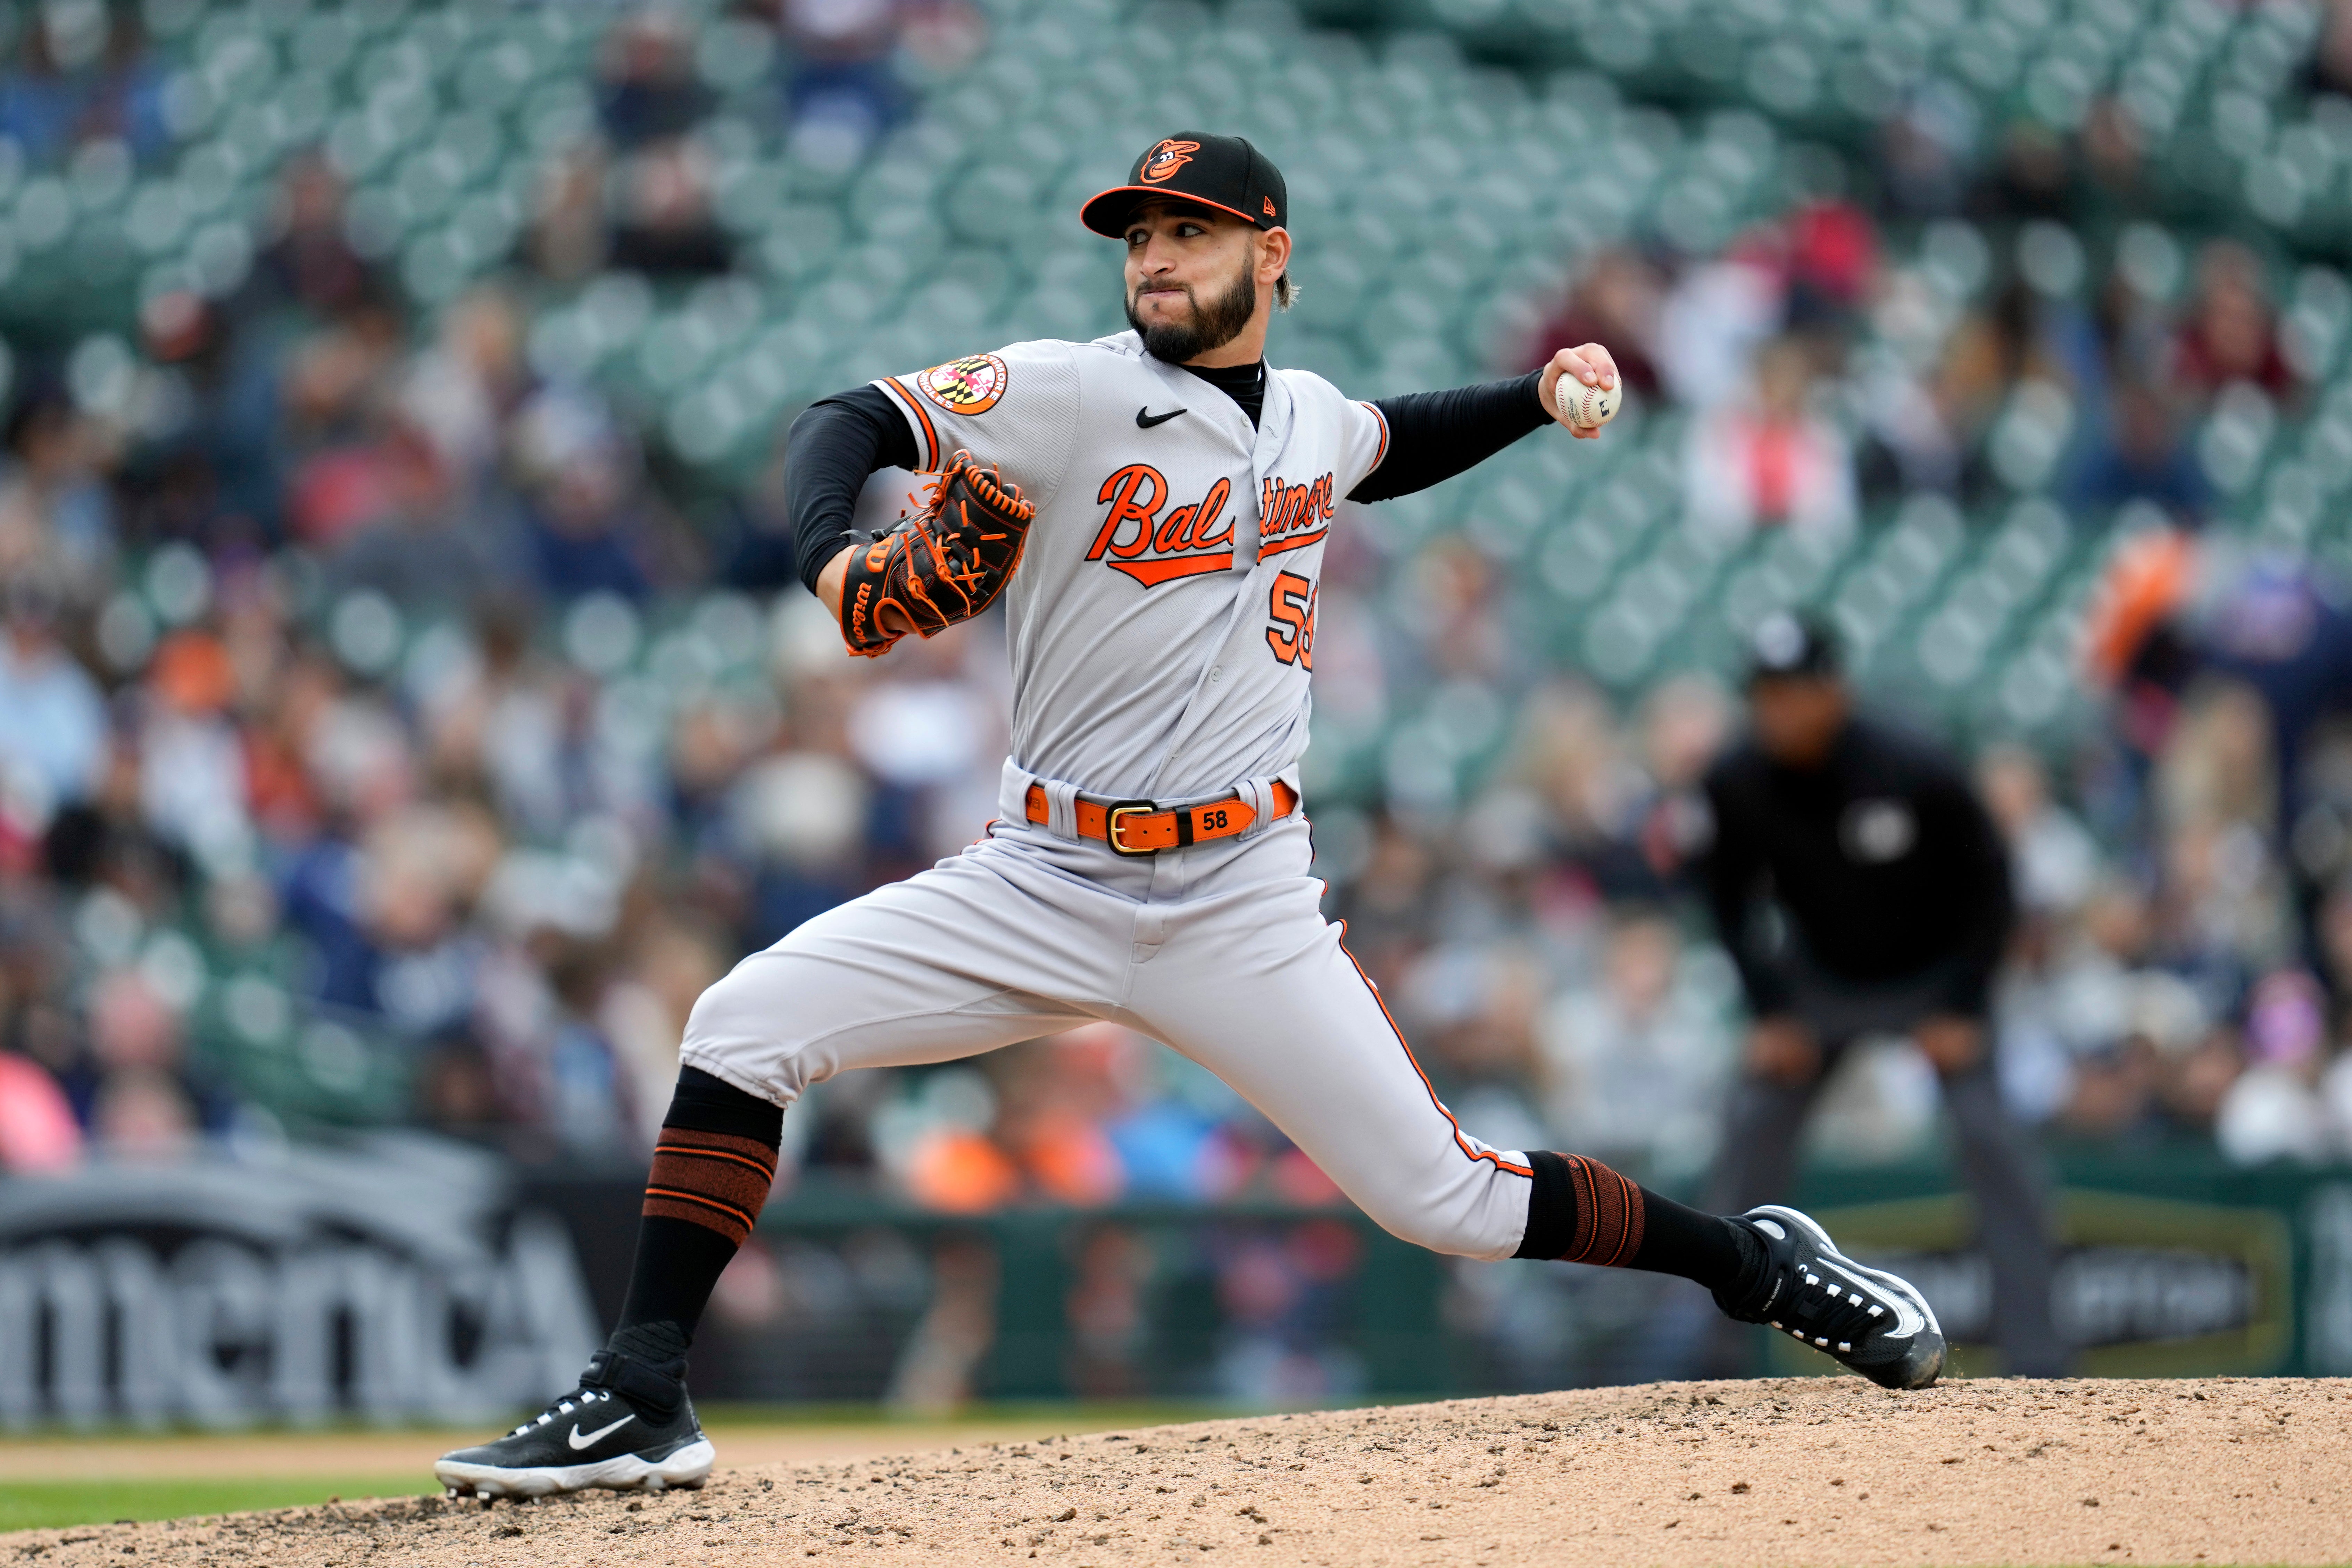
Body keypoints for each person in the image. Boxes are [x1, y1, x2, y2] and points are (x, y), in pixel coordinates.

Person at [434, 134, 1947, 1500]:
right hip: (1043, 874)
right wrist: (839, 559)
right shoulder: (1074, 388)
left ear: (1270, 253)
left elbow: (1383, 439)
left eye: (1190, 232)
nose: (1154, 257)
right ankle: (640, 1395)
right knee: (740, 1023)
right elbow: (847, 417)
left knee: (1442, 1200)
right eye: (1137, 236)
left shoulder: (1300, 419)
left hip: (1239, 896)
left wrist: (1537, 400)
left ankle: (1765, 1267)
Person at [1697, 613, 2064, 1376]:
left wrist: (1962, 1001)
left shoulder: (1912, 763)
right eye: (1765, 695)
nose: (1780, 711)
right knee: (1751, 1128)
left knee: (1990, 1136)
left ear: (1836, 690)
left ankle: (2040, 1354)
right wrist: (1768, 1008)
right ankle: (1715, 1355)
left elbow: (1991, 881)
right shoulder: (1737, 778)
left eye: (1795, 692)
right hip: (1820, 979)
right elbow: (1726, 900)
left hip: (1933, 975)